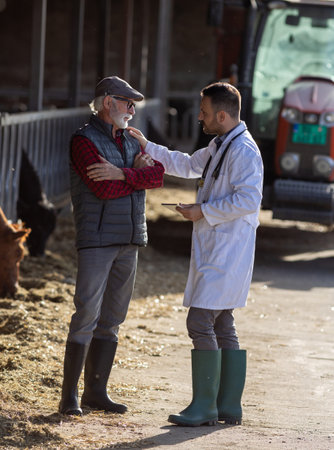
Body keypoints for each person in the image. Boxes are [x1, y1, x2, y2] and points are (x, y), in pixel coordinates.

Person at [129, 82, 263, 427]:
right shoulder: (221, 143)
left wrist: (203, 210)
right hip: (219, 247)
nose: (200, 118)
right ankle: (228, 406)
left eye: (204, 113)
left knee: (200, 321)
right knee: (222, 322)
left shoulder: (245, 151)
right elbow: (187, 164)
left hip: (228, 249)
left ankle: (205, 406)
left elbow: (249, 200)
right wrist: (147, 146)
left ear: (221, 114)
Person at [59, 76, 164, 416]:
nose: (132, 109)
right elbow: (99, 189)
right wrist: (134, 175)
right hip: (97, 239)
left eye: (134, 103)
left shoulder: (133, 139)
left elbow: (158, 176)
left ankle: (96, 393)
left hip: (130, 239)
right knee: (86, 314)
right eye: (126, 102)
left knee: (113, 318)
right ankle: (69, 397)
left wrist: (123, 175)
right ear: (107, 102)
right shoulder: (83, 140)